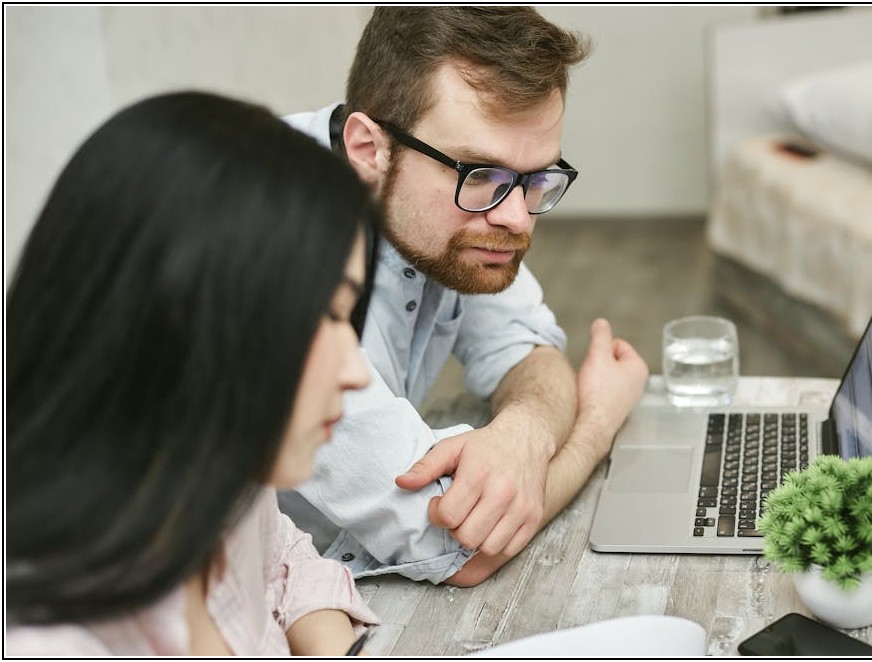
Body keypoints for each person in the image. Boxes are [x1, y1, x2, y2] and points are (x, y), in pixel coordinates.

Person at [279, 6, 649, 587]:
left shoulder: (441, 210)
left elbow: (525, 349)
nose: (517, 218)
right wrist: (596, 422)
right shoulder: (269, 250)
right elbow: (454, 545)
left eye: (536, 180)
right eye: (479, 174)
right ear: (368, 148)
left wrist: (524, 430)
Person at [5, 91, 381, 655]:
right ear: (179, 315)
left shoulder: (220, 473)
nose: (356, 372)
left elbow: (285, 560)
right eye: (323, 315)